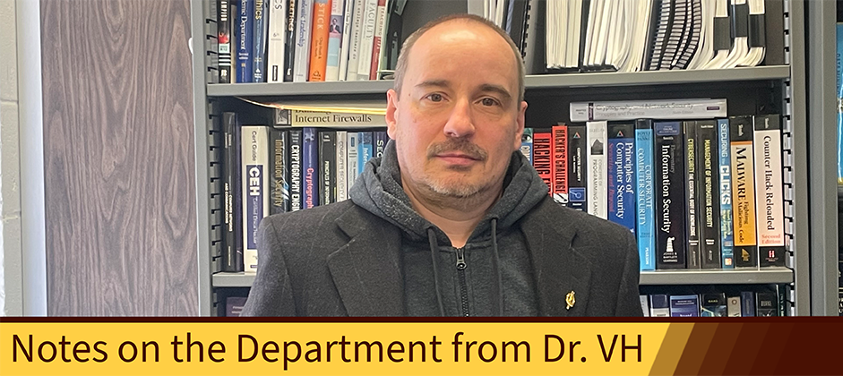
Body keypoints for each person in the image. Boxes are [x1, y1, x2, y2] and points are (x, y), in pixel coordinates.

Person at [242, 14, 642, 317]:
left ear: (518, 123)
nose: (460, 125)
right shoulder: (296, 252)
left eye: (488, 101)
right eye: (435, 96)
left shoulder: (605, 254)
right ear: (394, 113)